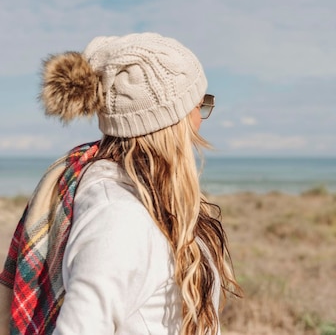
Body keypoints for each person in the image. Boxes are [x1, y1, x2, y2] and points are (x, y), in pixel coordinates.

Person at [0, 33, 240, 335]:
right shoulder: (119, 216)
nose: (202, 117)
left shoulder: (140, 196)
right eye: (200, 103)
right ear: (171, 120)